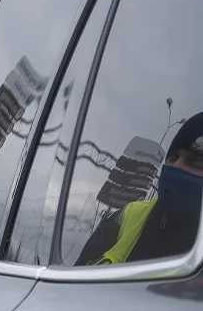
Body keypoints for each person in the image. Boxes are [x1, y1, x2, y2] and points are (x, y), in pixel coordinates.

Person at [78, 112, 203, 266]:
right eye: (173, 157)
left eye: (196, 162)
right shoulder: (126, 217)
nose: (175, 166)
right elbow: (69, 284)